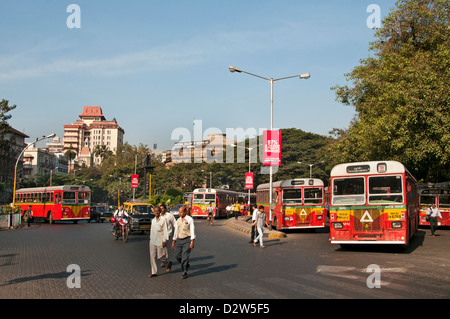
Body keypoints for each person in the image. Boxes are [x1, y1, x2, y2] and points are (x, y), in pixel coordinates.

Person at [172, 206, 196, 279]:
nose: (180, 213)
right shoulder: (178, 220)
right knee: (177, 255)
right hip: (179, 240)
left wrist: (192, 242)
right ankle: (186, 264)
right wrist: (173, 241)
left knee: (185, 257)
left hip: (187, 240)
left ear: (185, 212)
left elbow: (192, 230)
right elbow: (176, 231)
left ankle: (184, 272)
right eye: (179, 212)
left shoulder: (189, 219)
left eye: (181, 212)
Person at [149, 207, 169, 277]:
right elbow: (152, 231)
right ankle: (154, 272)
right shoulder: (153, 220)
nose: (156, 212)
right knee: (152, 256)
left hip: (160, 240)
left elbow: (165, 230)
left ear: (160, 212)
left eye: (158, 211)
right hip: (153, 241)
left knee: (160, 256)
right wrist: (150, 239)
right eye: (155, 211)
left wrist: (165, 240)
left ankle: (167, 262)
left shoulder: (163, 219)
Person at [160, 204, 175, 271]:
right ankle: (164, 260)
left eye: (162, 208)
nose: (161, 210)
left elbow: (175, 224)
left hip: (167, 233)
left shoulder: (169, 216)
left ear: (165, 209)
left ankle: (166, 261)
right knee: (161, 248)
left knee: (164, 246)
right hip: (160, 234)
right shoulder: (158, 216)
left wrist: (176, 234)